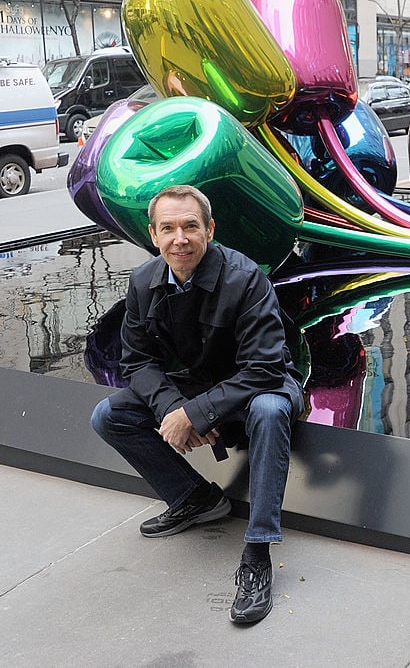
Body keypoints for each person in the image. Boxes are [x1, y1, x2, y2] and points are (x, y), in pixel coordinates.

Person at [90, 184, 304, 625]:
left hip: (259, 386)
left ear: (210, 229)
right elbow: (137, 361)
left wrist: (197, 412)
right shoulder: (143, 281)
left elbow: (264, 369)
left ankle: (258, 551)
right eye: (168, 228)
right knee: (109, 415)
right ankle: (195, 499)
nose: (179, 238)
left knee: (269, 409)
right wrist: (177, 408)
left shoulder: (245, 277)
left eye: (190, 226)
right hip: (197, 389)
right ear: (153, 235)